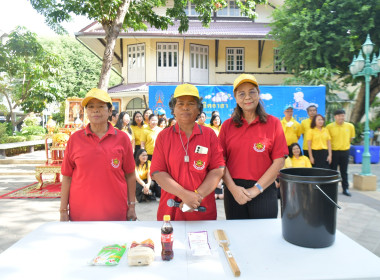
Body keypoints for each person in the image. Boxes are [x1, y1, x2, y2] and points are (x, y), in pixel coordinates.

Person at [151, 83, 225, 221]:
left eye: (191, 103)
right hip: (170, 211)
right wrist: (184, 195)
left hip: (202, 209)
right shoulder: (164, 136)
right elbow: (158, 172)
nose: (185, 107)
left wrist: (196, 196)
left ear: (198, 110)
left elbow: (217, 170)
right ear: (173, 109)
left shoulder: (209, 135)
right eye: (180, 104)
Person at [60, 88, 136, 221]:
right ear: (86, 112)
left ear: (109, 111)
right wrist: (63, 210)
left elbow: (130, 175)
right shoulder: (75, 139)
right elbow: (67, 177)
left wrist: (132, 206)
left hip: (115, 212)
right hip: (80, 214)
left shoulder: (122, 139)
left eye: (101, 106)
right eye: (91, 107)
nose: (95, 110)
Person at [219, 74, 288, 220]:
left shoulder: (273, 123)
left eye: (252, 92)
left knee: (263, 237)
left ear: (258, 94)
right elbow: (220, 162)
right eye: (241, 93)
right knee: (237, 237)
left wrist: (256, 189)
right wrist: (232, 189)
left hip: (264, 189)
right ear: (236, 98)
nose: (247, 97)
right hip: (234, 192)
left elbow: (279, 161)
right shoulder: (227, 126)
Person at [327, 109, 355, 196]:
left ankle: (345, 189)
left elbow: (351, 139)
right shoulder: (329, 127)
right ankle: (332, 189)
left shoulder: (350, 126)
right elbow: (328, 141)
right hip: (334, 152)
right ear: (335, 117)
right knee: (333, 171)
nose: (341, 117)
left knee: (344, 171)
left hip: (345, 151)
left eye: (343, 115)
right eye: (339, 116)